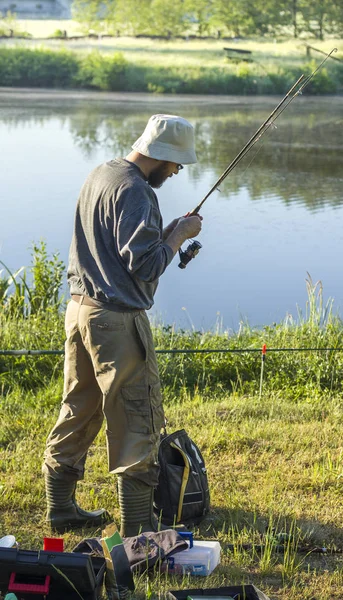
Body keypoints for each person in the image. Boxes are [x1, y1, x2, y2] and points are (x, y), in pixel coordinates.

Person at [42, 114, 202, 536]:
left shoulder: (103, 173)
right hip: (116, 322)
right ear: (162, 154)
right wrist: (179, 235)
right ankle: (138, 535)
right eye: (177, 163)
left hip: (80, 312)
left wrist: (165, 234)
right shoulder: (137, 191)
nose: (177, 171)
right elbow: (145, 264)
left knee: (78, 408)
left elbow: (121, 247)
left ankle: (60, 511)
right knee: (136, 419)